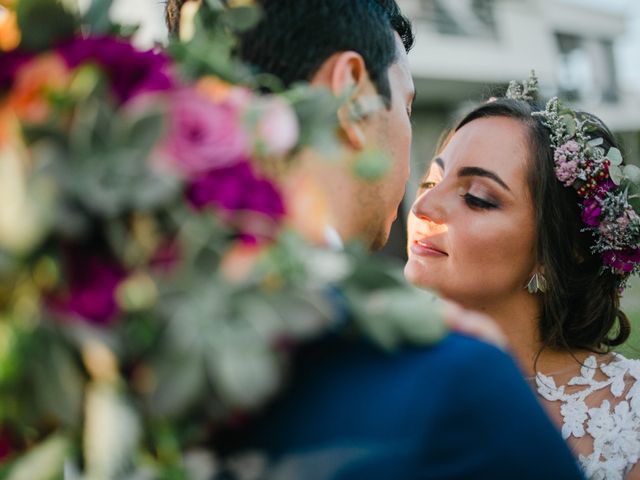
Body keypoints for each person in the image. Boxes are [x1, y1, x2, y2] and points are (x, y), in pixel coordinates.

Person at [167, 1, 585, 478]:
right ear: (350, 96)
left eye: (477, 197)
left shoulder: (104, 313)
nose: (423, 206)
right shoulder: (453, 384)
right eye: (405, 105)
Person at [405, 78, 640, 479]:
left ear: (562, 250)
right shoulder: (373, 374)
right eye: (430, 181)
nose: (424, 205)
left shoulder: (629, 417)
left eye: (477, 197)